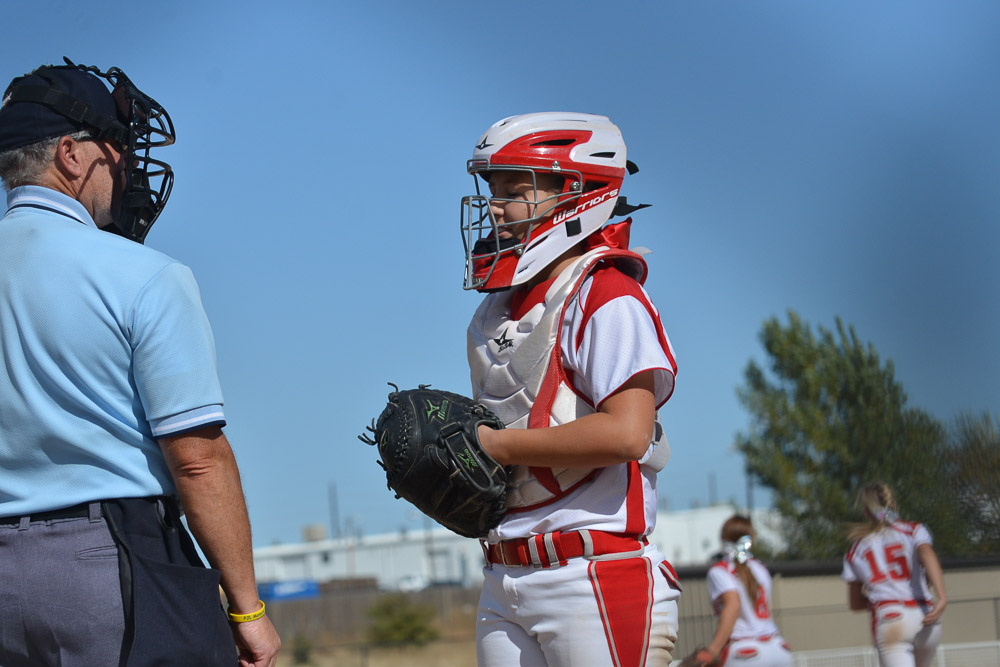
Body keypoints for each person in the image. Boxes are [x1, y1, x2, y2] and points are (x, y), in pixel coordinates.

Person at [0, 60, 280, 666]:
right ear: (70, 154)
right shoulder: (143, 274)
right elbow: (198, 460)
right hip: (109, 559)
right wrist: (248, 610)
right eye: (115, 148)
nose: (125, 165)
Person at [461, 112, 682, 667]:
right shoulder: (494, 312)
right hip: (504, 571)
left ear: (576, 195)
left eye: (516, 191)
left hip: (592, 573)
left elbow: (628, 433)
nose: (495, 207)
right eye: (493, 190)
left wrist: (495, 447)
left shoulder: (606, 294)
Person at [842, 482, 947, 667]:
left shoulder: (856, 549)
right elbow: (926, 553)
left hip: (891, 617)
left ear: (866, 511)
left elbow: (856, 604)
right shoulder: (913, 530)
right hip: (926, 614)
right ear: (894, 503)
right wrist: (942, 597)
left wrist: (878, 598)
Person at [695, 514, 793, 667]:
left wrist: (712, 651)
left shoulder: (720, 570)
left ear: (723, 538)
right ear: (751, 539)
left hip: (746, 651)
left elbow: (733, 606)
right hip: (778, 648)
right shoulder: (760, 567)